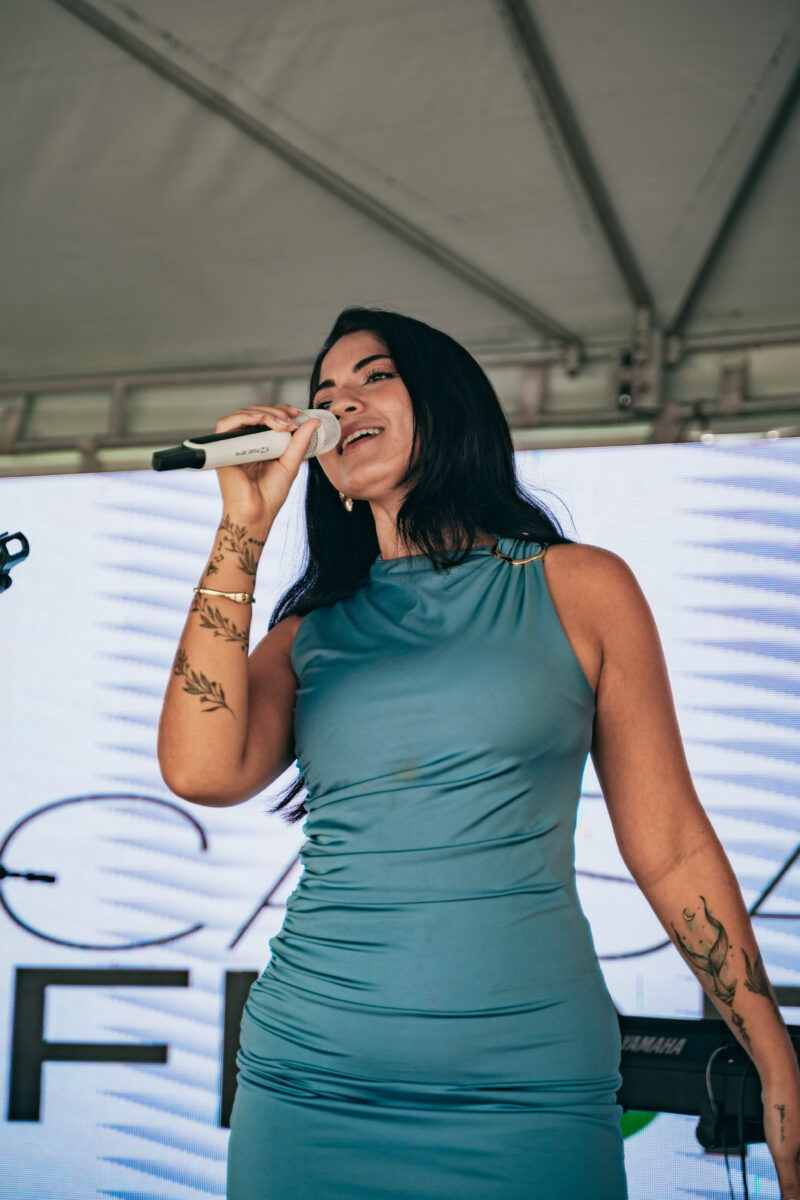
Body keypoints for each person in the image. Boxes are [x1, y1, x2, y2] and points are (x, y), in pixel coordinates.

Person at [157, 307, 800, 1200]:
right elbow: (199, 771)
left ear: (449, 406)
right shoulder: (311, 634)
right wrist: (245, 528)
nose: (341, 403)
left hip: (528, 1090)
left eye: (375, 376)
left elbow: (671, 846)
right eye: (324, 395)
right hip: (310, 1085)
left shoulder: (580, 587)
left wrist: (774, 1059)